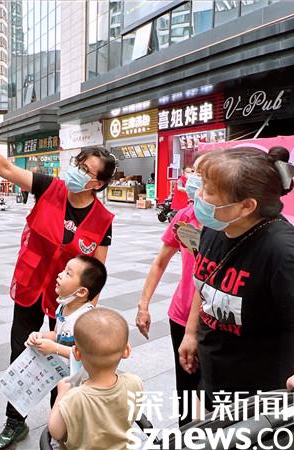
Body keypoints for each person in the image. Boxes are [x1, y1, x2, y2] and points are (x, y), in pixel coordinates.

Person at [0, 127, 116, 449]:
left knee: (62, 359)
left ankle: (59, 424)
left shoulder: (103, 220)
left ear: (98, 183)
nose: (77, 171)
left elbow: (96, 274)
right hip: (30, 286)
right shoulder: (50, 187)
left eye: (86, 169)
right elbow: (7, 168)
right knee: (21, 350)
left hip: (67, 301)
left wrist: (85, 318)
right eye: (78, 164)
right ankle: (15, 420)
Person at [178, 147, 294, 413]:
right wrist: (190, 333)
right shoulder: (216, 227)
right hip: (212, 384)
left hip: (261, 406)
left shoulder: (287, 253)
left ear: (246, 206)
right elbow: (204, 284)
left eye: (208, 190)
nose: (198, 195)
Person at [135, 158, 203, 426]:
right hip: (181, 314)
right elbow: (160, 262)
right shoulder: (184, 217)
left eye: (202, 173)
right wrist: (143, 304)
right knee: (186, 388)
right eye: (194, 171)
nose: (195, 178)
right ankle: (186, 433)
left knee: (211, 393)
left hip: (213, 322)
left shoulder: (227, 223)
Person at [48, 308, 143, 450]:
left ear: (76, 353)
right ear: (126, 350)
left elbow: (56, 431)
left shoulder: (74, 397)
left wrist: (61, 394)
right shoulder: (134, 382)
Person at [25, 255, 108, 370]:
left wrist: (55, 349)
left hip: (80, 376)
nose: (60, 274)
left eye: (68, 273)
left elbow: (86, 354)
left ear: (81, 292)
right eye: (64, 270)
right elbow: (57, 334)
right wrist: (40, 336)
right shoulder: (63, 306)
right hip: (63, 371)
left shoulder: (86, 319)